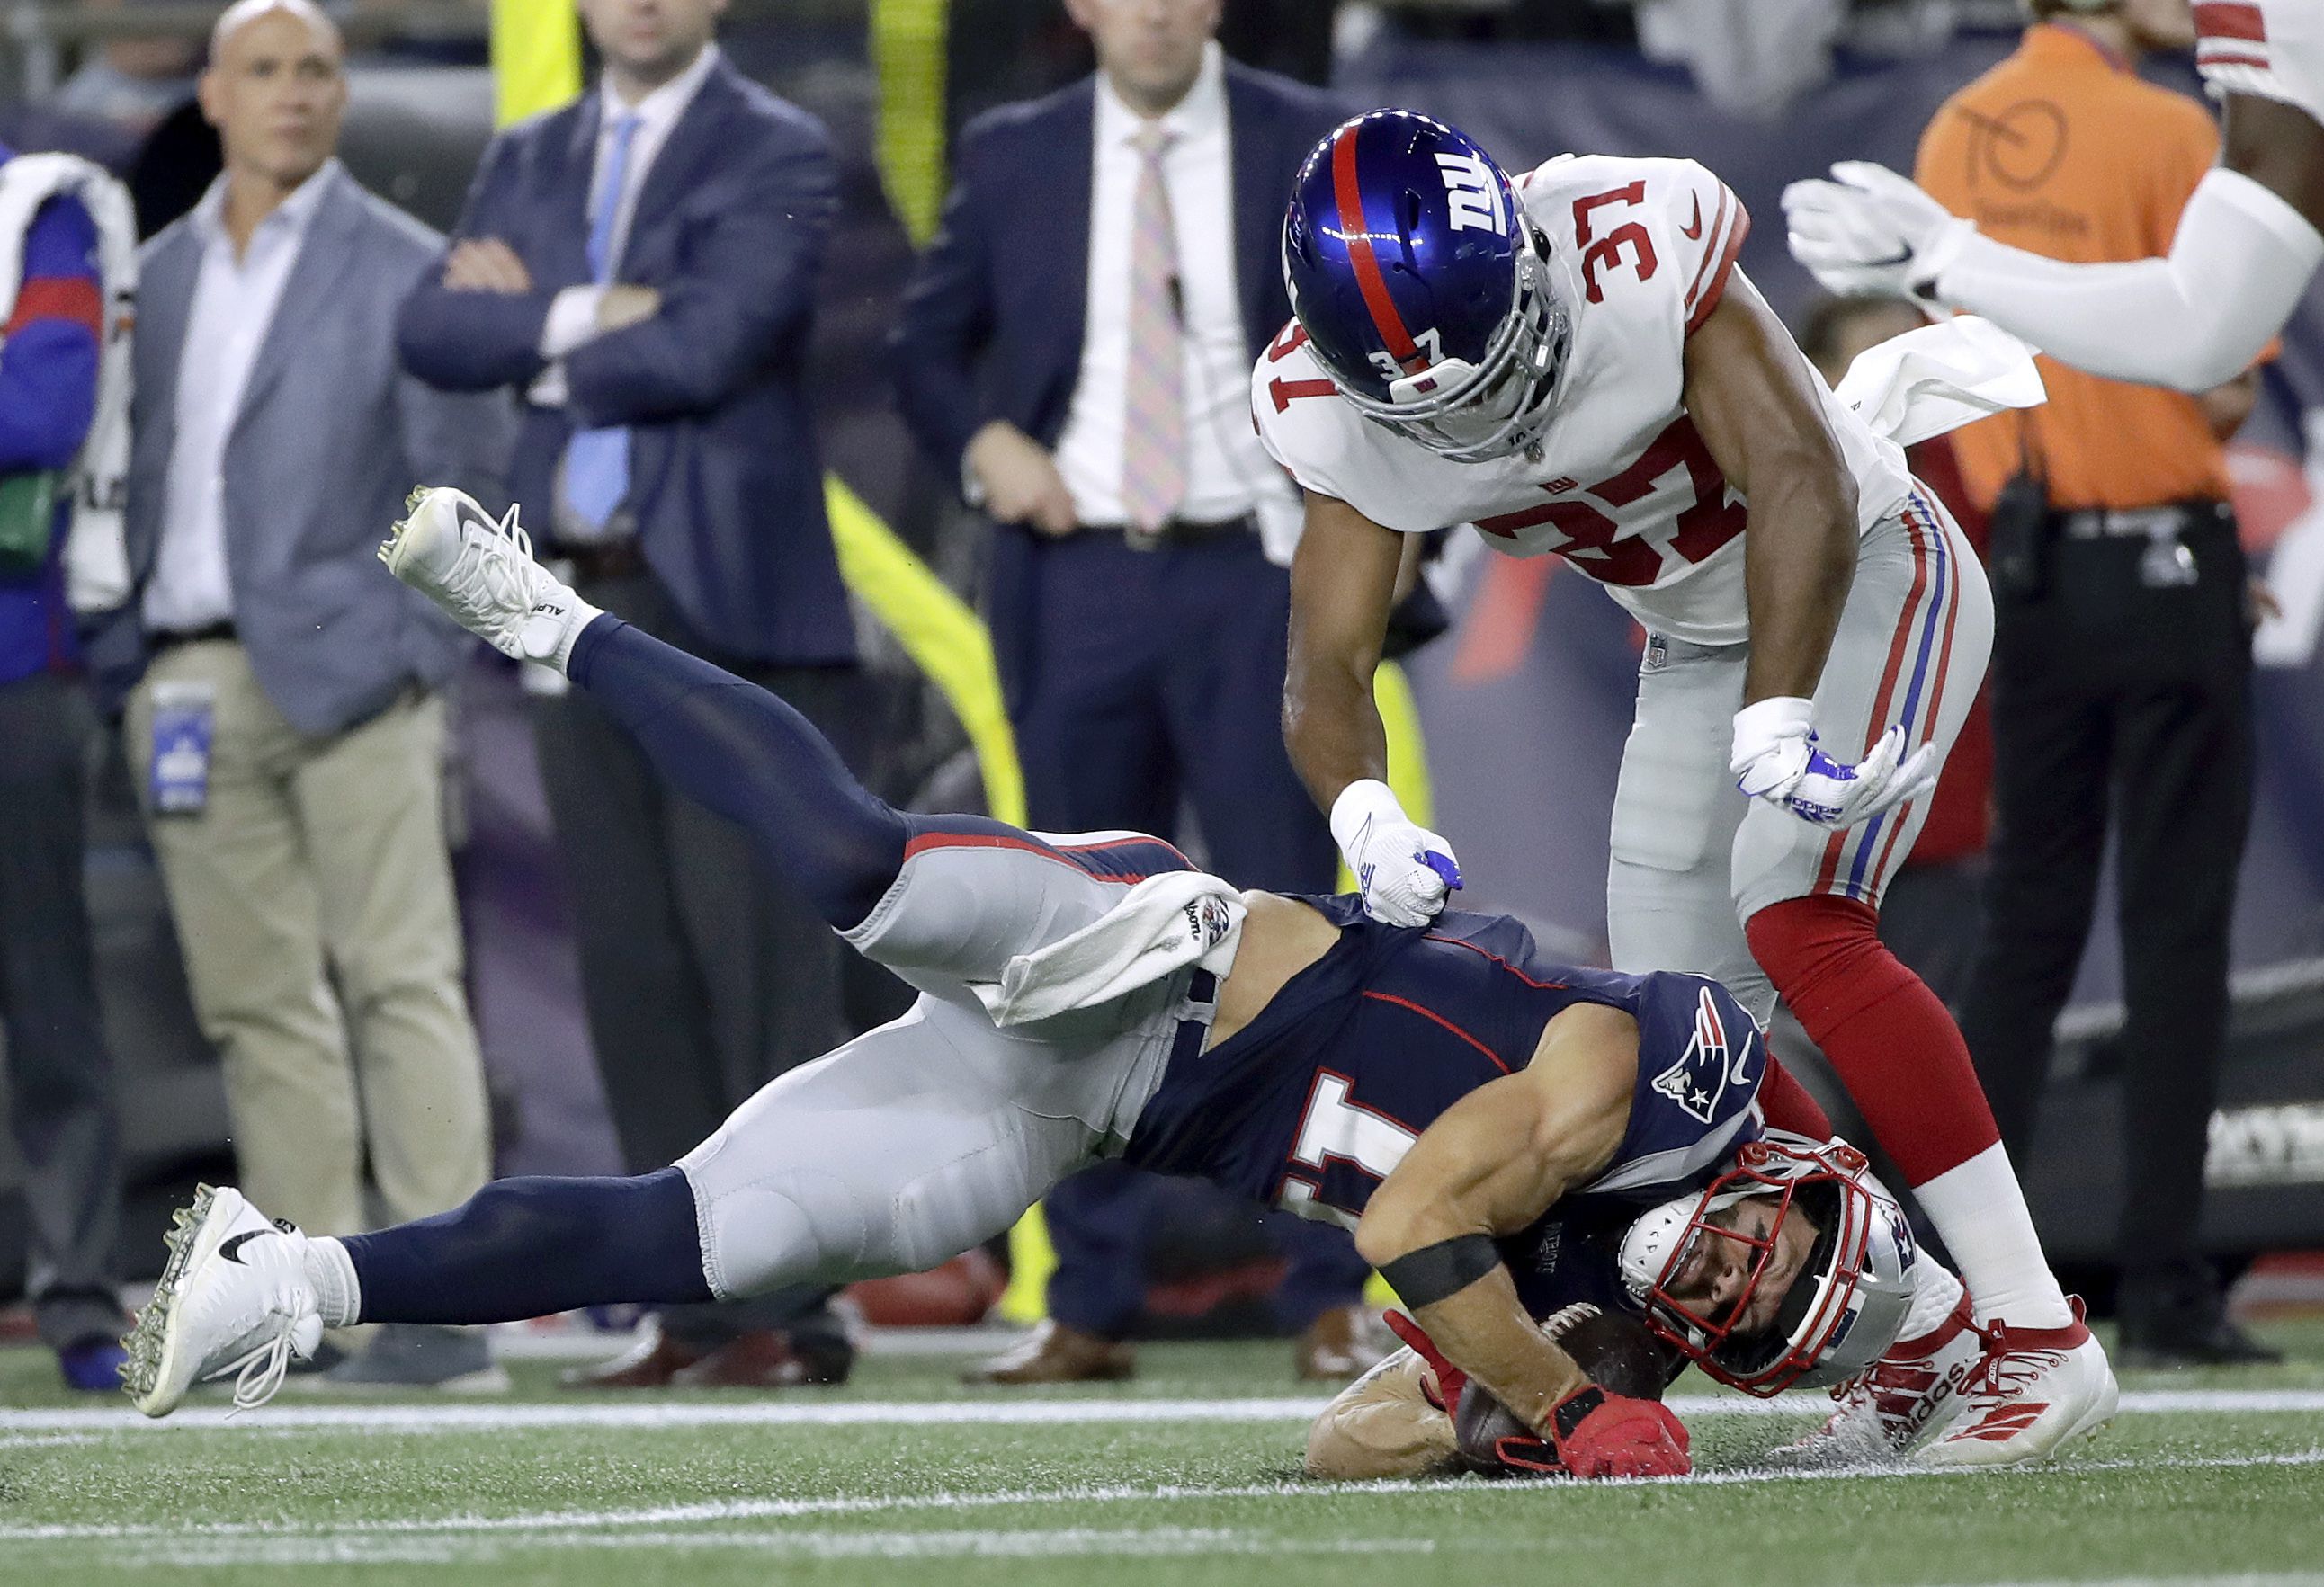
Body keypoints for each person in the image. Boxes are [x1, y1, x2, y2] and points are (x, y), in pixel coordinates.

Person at [121, 483, 2003, 1480]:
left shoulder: (1608, 1310)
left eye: (1762, 1308)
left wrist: (1498, 1420)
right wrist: (1570, 1411)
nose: (1738, 1269)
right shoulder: (1673, 1073)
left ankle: (280, 1279)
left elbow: (1348, 1435)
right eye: (1778, 1241)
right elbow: (1422, 1213)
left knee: (724, 1240)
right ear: (1790, 1179)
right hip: (1161, 957)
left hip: (1096, 1106)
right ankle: (558, 621)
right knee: (859, 868)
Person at [1254, 109, 2110, 1465]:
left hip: (1867, 567)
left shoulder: (1628, 243)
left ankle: (2039, 1338)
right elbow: (1328, 660)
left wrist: (1781, 709)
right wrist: (1364, 811)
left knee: (1797, 915)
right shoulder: (1324, 402)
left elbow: (1800, 477)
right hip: (1699, 638)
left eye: (1487, 373)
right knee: (1681, 1042)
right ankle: (1932, 1342)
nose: (1475, 417)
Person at [891, 0, 1374, 1384]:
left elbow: (1386, 337)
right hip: (1077, 581)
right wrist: (988, 444)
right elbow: (924, 351)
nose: (1155, 10)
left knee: (1305, 936)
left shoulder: (1305, 144)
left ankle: (1332, 1286)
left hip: (1257, 584)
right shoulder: (1012, 152)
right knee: (1071, 948)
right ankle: (1086, 1297)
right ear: (1082, 10)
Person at [395, 0, 863, 1389]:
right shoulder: (531, 152)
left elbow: (716, 344)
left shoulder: (774, 143)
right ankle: (692, 1305)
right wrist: (599, 313)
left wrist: (525, 318)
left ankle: (798, 1304)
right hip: (565, 600)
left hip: (721, 606)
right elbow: (433, 330)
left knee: (757, 972)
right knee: (635, 973)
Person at [1804, 0, 2277, 1369]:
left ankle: (1963, 1278)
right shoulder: (2179, 126)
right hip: (2168, 561)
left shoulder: (1952, 133)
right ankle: (2168, 1285)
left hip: (2030, 572)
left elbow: (1949, 363)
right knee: (2178, 933)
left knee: (2024, 938)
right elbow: (2227, 388)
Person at [86, 0, 511, 1390]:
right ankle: (312, 1305)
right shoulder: (154, 275)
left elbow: (459, 480)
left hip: (355, 671)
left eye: (316, 70)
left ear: (340, 96)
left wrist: (417, 658)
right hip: (188, 671)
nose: (291, 93)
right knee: (258, 1009)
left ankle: (442, 1303)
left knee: (401, 984)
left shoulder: (407, 268)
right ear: (212, 95)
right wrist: (131, 656)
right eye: (262, 70)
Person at [1782, 0, 2324, 395]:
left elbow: (2203, 327)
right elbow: (2220, 376)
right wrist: (1949, 259)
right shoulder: (2173, 122)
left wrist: (1948, 259)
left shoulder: (1955, 123)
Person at [0, 140, 131, 1391]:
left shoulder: (33, 212)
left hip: (11, 665)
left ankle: (81, 1302)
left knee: (48, 1003)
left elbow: (41, 408)